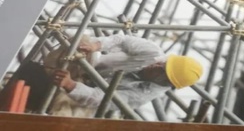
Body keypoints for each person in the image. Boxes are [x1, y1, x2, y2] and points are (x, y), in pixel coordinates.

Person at [51, 34, 203, 111]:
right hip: (89, 64)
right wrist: (95, 46)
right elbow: (122, 40)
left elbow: (103, 99)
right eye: (163, 63)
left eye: (161, 70)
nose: (156, 65)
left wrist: (71, 86)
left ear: (164, 81)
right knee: (81, 41)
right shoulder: (153, 52)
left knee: (61, 108)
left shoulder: (142, 95)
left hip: (84, 90)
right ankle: (49, 62)